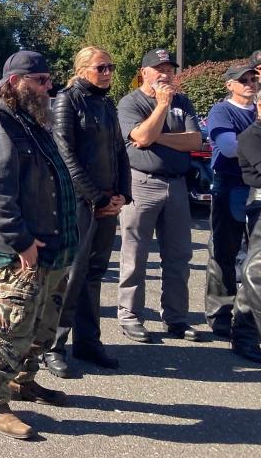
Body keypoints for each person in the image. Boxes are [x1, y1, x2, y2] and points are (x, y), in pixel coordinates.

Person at [0, 50, 77, 440]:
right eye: (41, 80)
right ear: (16, 82)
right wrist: (21, 241)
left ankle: (22, 381)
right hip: (23, 249)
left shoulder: (30, 121)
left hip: (53, 246)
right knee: (10, 327)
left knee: (41, 326)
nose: (49, 87)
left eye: (49, 80)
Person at [42, 47, 131, 378]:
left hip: (107, 200)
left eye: (111, 67)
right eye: (101, 67)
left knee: (95, 273)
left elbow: (120, 150)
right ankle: (52, 345)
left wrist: (122, 194)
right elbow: (65, 155)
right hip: (80, 202)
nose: (108, 73)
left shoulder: (106, 103)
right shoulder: (67, 101)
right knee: (71, 275)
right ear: (81, 70)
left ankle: (88, 341)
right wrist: (95, 197)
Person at [116, 48, 203, 344]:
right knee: (135, 254)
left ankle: (176, 318)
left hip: (176, 185)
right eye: (159, 69)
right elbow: (140, 137)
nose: (166, 74)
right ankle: (130, 316)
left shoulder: (183, 101)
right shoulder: (131, 102)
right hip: (142, 183)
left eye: (169, 69)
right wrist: (161, 106)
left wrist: (157, 137)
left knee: (179, 256)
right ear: (144, 73)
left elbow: (195, 140)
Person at [204, 63, 258, 337]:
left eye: (253, 79)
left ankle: (249, 316)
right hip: (230, 185)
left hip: (255, 186)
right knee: (225, 251)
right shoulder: (221, 111)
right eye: (243, 80)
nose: (250, 84)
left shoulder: (258, 110)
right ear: (229, 85)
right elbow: (228, 147)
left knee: (254, 256)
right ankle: (220, 314)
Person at [232, 102, 261, 363]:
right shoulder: (252, 135)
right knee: (256, 274)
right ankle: (245, 335)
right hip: (259, 206)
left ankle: (244, 334)